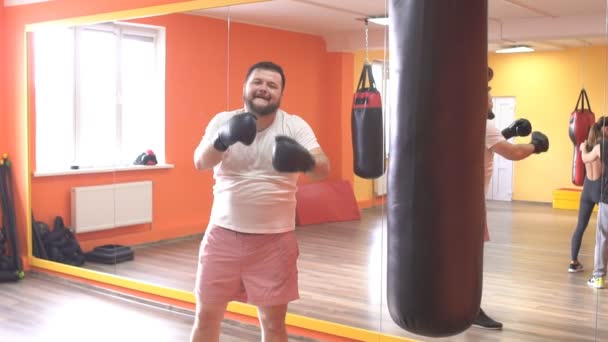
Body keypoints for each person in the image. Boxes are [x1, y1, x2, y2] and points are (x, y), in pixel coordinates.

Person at [191, 61, 330, 342]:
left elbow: (323, 169)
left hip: (274, 242)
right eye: (258, 82)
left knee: (273, 323)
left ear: (280, 94)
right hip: (222, 236)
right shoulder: (222, 121)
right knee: (206, 316)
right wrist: (222, 140)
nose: (264, 89)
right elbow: (199, 162)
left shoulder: (293, 125)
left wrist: (305, 160)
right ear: (245, 87)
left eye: (272, 85)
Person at [475, 83, 549, 330]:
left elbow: (484, 144)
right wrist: (536, 145)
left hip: (464, 201)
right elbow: (515, 153)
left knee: (464, 256)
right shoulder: (484, 125)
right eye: (489, 99)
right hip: (471, 205)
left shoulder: (467, 121)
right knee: (471, 258)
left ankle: (461, 303)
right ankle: (471, 307)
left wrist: (508, 131)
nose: (492, 102)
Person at [568, 119, 604, 273]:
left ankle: (573, 262)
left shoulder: (585, 147)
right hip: (600, 189)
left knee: (580, 227)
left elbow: (583, 158)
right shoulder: (601, 147)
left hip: (587, 189)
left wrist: (581, 148)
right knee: (604, 231)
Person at [580, 117, 608, 289]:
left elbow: (585, 158)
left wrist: (581, 148)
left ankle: (598, 277)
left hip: (606, 199)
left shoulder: (600, 146)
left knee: (602, 237)